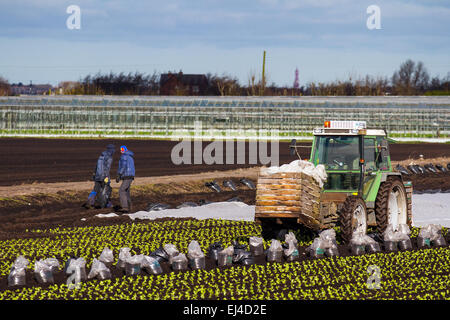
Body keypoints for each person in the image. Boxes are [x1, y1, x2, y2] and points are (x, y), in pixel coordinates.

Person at [83, 144, 115, 209]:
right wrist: (106, 177)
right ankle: (107, 204)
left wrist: (94, 175)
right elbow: (107, 168)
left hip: (97, 176)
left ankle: (90, 202)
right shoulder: (109, 157)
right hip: (104, 177)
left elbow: (96, 166)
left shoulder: (101, 156)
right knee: (107, 189)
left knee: (95, 190)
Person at [116, 145, 135, 213]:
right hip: (130, 175)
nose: (121, 151)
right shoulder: (130, 157)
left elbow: (123, 166)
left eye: (122, 149)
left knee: (122, 190)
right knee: (127, 191)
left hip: (126, 175)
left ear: (124, 150)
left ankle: (125, 207)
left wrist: (119, 174)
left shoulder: (124, 156)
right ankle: (130, 207)